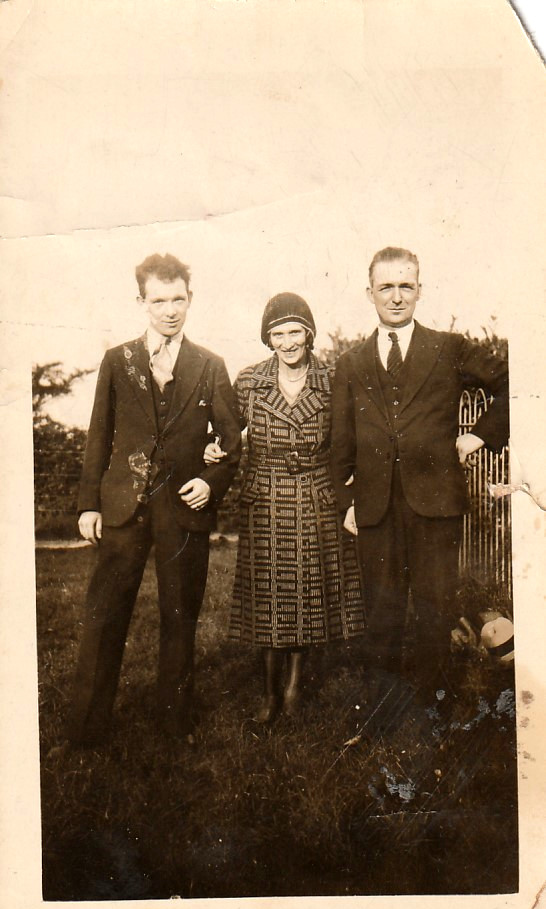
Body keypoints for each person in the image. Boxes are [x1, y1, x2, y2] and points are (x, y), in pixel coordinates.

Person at [66, 253, 241, 748]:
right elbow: (98, 434)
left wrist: (212, 480)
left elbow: (232, 441)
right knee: (104, 617)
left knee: (179, 616)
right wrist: (88, 504)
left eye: (178, 300)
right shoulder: (117, 360)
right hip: (123, 506)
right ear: (140, 301)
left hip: (184, 510)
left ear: (191, 299)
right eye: (158, 300)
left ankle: (173, 727)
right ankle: (84, 731)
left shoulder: (209, 365)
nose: (169, 310)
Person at [330, 246, 509, 706]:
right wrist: (346, 500)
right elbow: (341, 442)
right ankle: (386, 713)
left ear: (419, 291)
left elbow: (515, 382)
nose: (395, 297)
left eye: (405, 286)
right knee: (382, 614)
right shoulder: (350, 363)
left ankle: (434, 707)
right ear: (369, 292)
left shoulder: (448, 348)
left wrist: (480, 437)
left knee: (435, 612)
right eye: (386, 287)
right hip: (375, 507)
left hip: (436, 506)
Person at [208, 293, 365, 723]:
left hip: (316, 493)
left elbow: (351, 437)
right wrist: (212, 445)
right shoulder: (249, 381)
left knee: (306, 594)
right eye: (278, 334)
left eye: (295, 331)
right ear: (268, 339)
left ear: (310, 334)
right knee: (269, 594)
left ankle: (294, 689)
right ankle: (268, 695)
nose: (288, 342)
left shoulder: (334, 379)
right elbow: (227, 429)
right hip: (267, 494)